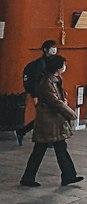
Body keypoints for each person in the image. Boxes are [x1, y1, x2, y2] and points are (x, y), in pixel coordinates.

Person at [19, 54, 81, 187]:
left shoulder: (55, 79)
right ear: (58, 67)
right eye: (63, 65)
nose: (65, 67)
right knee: (42, 149)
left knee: (57, 148)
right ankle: (29, 177)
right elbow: (55, 102)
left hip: (53, 121)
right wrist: (71, 114)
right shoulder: (47, 82)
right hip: (48, 121)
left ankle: (68, 175)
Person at [19, 38, 59, 146]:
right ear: (45, 50)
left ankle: (23, 131)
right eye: (52, 48)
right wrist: (35, 95)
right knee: (45, 116)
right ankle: (47, 140)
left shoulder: (52, 62)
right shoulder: (40, 64)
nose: (54, 50)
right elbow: (36, 81)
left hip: (49, 92)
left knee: (44, 116)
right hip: (41, 93)